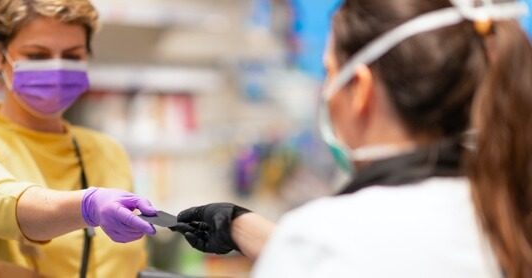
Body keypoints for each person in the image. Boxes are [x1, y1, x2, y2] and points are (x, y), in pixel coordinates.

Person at [173, 0, 532, 277]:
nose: (326, 92)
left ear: (360, 89)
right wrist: (239, 225)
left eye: (330, 72)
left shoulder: (325, 240)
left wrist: (295, 245)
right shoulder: (507, 217)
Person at [0, 0, 157, 277]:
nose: (57, 70)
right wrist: (87, 206)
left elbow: (125, 264)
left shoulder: (107, 152)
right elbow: (4, 204)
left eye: (72, 56)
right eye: (37, 55)